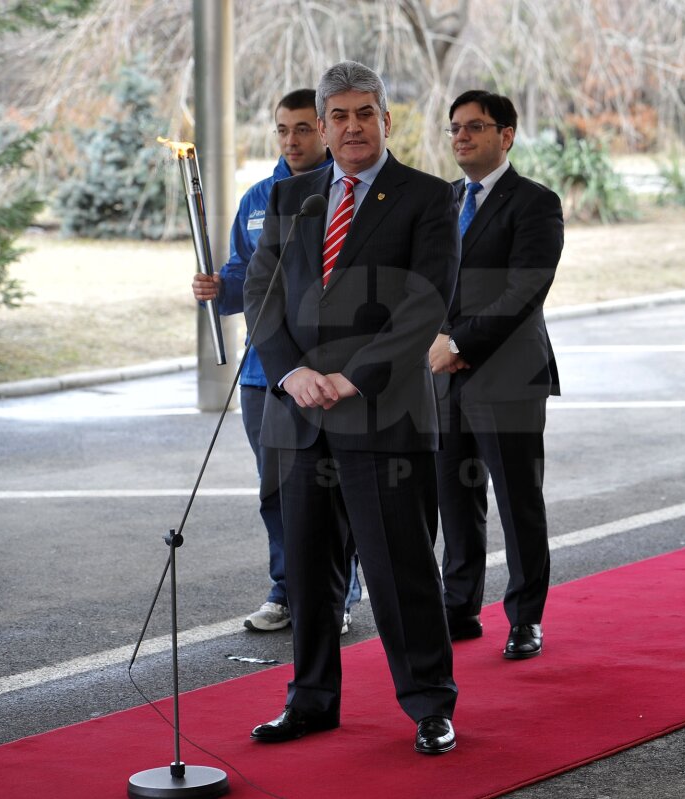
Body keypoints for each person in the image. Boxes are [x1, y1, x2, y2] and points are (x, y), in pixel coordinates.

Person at [243, 61, 460, 754]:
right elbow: (260, 294)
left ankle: (430, 703)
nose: (352, 126)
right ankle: (309, 700)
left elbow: (425, 301)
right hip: (300, 417)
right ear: (325, 124)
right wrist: (291, 373)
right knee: (307, 569)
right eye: (338, 115)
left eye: (364, 113)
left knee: (400, 569)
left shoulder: (428, 197)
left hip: (383, 412)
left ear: (386, 120)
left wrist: (351, 377)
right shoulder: (294, 196)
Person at [192, 88, 362, 636]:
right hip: (267, 377)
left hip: (330, 377)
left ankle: (337, 594)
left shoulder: (351, 194)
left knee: (331, 493)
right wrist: (219, 286)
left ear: (324, 129)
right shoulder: (258, 199)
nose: (292, 140)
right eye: (282, 130)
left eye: (303, 129)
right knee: (277, 493)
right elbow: (245, 279)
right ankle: (286, 591)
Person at [429, 90, 564, 659]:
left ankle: (525, 617)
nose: (462, 137)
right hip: (443, 377)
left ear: (506, 135)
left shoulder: (535, 202)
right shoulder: (443, 201)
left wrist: (460, 341)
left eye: (475, 127)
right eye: (455, 128)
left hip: (507, 373)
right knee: (455, 499)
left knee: (517, 500)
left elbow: (524, 289)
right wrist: (434, 341)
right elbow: (426, 282)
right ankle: (458, 609)